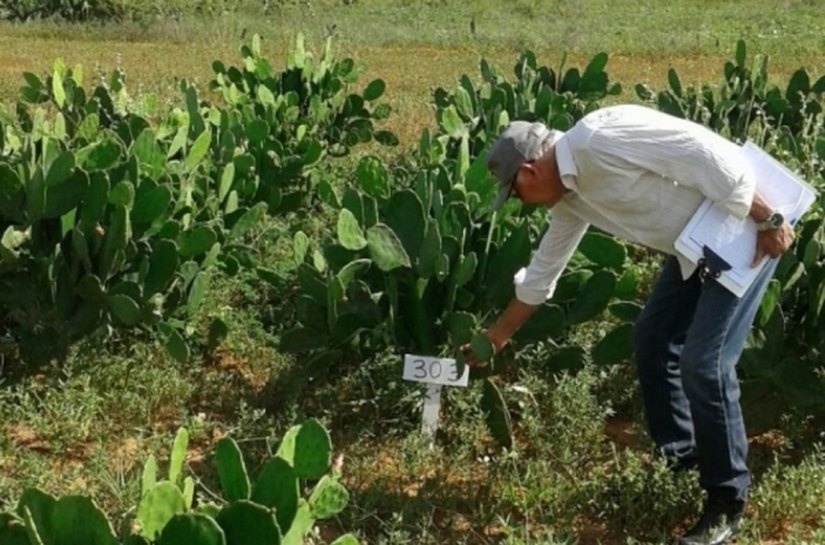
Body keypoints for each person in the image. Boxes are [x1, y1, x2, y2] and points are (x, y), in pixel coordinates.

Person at [462, 104, 795, 545]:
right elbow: (542, 274)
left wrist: (768, 219)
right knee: (654, 339)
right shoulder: (571, 198)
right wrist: (498, 335)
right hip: (696, 247)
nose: (519, 203)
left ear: (529, 171)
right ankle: (680, 464)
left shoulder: (598, 141)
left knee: (704, 363)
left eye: (515, 193)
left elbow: (710, 156)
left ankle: (726, 503)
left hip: (748, 233)